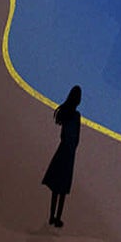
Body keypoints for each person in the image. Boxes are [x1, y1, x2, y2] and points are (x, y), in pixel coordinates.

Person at [42, 85, 82, 228]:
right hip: (69, 153)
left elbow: (63, 134)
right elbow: (76, 138)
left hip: (62, 150)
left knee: (56, 186)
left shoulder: (66, 113)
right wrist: (72, 148)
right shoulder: (76, 116)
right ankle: (58, 217)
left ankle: (51, 216)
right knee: (63, 187)